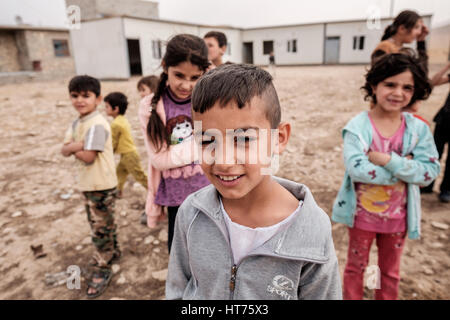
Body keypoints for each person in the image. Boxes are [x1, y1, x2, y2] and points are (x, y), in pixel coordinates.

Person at [166, 64, 342, 300]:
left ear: (278, 139)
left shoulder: (310, 229)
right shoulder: (192, 212)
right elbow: (179, 287)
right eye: (207, 140)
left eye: (244, 139)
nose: (224, 161)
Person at [332, 53, 440, 300]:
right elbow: (357, 168)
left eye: (407, 87)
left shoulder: (418, 129)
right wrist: (406, 171)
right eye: (390, 84)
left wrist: (388, 160)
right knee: (356, 268)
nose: (398, 92)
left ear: (416, 92)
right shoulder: (358, 127)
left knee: (388, 272)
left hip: (398, 220)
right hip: (361, 218)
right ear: (374, 86)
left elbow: (429, 172)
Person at [138, 34, 211, 252]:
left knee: (211, 249)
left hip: (211, 188)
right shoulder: (150, 106)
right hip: (176, 196)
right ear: (164, 66)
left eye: (194, 77)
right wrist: (204, 145)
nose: (186, 85)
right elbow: (160, 160)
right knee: (180, 251)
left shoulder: (210, 99)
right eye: (179, 75)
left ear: (204, 72)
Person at [61, 75, 120, 298]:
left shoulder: (97, 123)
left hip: (100, 185)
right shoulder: (78, 122)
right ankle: (113, 253)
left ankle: (102, 267)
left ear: (98, 98)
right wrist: (77, 145)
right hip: (89, 184)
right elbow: (63, 149)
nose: (80, 100)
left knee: (101, 227)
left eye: (86, 96)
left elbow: (87, 156)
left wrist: (73, 147)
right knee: (103, 223)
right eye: (75, 96)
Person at [104, 92, 148, 199]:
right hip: (126, 154)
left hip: (129, 155)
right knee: (120, 172)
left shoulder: (115, 124)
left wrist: (108, 155)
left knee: (139, 176)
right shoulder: (122, 120)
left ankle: (154, 191)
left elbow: (113, 142)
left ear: (116, 109)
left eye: (107, 106)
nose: (105, 109)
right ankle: (118, 191)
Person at [422, 62, 450, 201]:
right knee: (433, 153)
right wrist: (447, 67)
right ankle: (427, 184)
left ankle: (446, 190)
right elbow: (433, 82)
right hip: (445, 118)